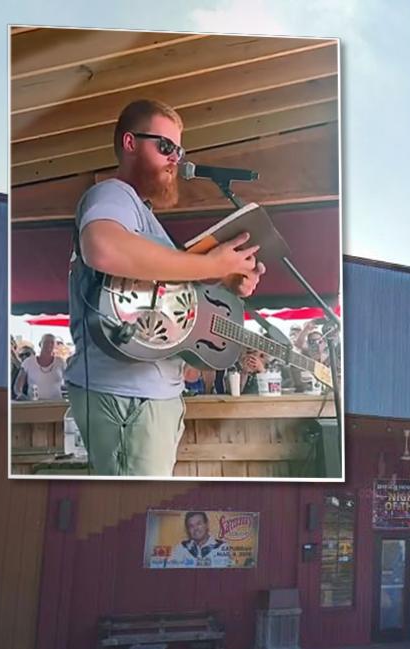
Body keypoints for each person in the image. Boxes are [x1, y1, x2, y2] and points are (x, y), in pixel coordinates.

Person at [64, 99, 266, 476]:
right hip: (127, 397)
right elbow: (102, 247)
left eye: (180, 149)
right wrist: (209, 264)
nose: (176, 158)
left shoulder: (144, 219)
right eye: (165, 146)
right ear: (129, 143)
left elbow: (166, 293)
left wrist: (223, 280)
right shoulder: (113, 195)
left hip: (146, 396)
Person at [14, 333, 66, 400]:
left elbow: (69, 381)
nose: (49, 344)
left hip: (56, 404)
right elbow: (18, 385)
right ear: (40, 344)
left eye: (52, 342)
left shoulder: (61, 362)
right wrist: (20, 395)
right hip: (34, 405)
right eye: (46, 342)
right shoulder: (28, 362)